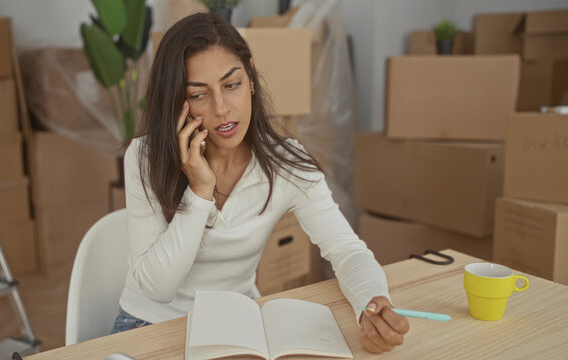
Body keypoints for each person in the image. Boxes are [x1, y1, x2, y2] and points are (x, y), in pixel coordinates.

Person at [111, 12, 409, 354]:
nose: (222, 108)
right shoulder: (145, 156)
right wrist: (199, 192)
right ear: (176, 101)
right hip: (149, 324)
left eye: (232, 84)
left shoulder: (285, 163)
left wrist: (372, 304)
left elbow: (346, 249)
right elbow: (156, 291)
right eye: (198, 94)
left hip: (233, 324)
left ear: (251, 77)